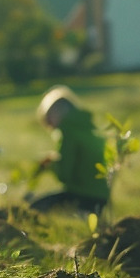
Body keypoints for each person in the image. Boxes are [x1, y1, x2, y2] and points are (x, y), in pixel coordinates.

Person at [30, 85, 110, 215]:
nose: (49, 125)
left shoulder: (68, 133)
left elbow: (64, 175)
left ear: (56, 113)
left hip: (83, 197)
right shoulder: (88, 127)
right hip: (102, 199)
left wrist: (51, 164)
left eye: (48, 118)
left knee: (35, 208)